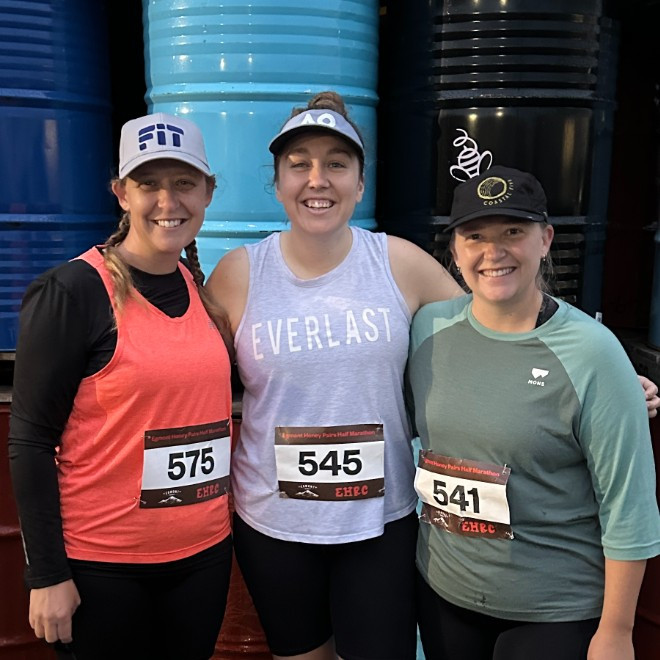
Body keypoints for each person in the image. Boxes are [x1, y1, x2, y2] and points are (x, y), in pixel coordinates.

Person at [205, 91, 464, 660]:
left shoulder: (399, 262)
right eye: (299, 164)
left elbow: (493, 330)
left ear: (361, 184)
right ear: (277, 184)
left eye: (336, 164)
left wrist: (595, 376)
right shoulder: (238, 274)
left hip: (380, 521)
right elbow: (183, 368)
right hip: (274, 523)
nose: (317, 179)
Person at [407, 165, 660, 660]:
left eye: (512, 232)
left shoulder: (593, 352)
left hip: (554, 609)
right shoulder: (427, 329)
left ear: (545, 240)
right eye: (475, 236)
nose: (493, 251)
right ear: (454, 251)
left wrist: (617, 632)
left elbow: (628, 506)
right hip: (442, 593)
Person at [9, 113, 234, 660]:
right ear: (121, 194)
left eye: (184, 183)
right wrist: (47, 575)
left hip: (202, 558)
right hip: (103, 567)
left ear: (208, 192)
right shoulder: (74, 291)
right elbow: (31, 441)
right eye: (148, 183)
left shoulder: (199, 288)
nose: (167, 201)